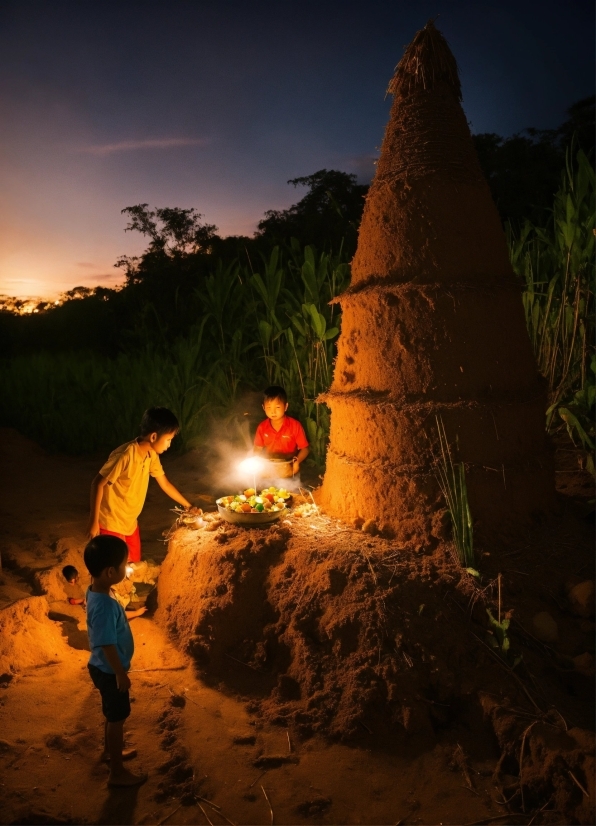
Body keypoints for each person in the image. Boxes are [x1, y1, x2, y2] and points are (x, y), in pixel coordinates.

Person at [86, 407, 196, 563]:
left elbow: (164, 484)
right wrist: (93, 522)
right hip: (110, 521)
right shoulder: (125, 455)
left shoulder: (151, 455)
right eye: (168, 440)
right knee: (114, 566)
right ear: (153, 437)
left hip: (130, 522)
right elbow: (97, 483)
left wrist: (189, 506)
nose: (169, 445)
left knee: (134, 564)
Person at [84, 534, 147, 786]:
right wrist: (120, 672)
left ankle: (112, 752)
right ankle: (117, 774)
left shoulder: (94, 591)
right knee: (118, 718)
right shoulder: (105, 606)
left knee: (111, 715)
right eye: (125, 565)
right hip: (109, 671)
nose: (127, 568)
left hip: (101, 667)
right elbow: (106, 642)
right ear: (111, 572)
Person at [254, 386, 309, 481]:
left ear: (286, 406)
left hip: (289, 469)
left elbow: (305, 449)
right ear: (263, 407)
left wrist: (297, 462)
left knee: (290, 493)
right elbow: (257, 448)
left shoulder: (295, 425)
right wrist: (255, 462)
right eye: (269, 407)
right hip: (269, 470)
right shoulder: (262, 427)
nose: (273, 411)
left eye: (278, 407)